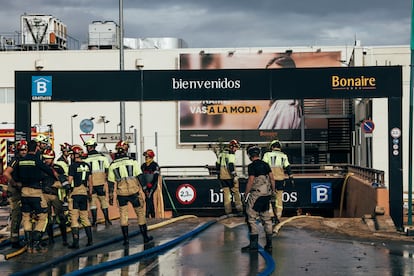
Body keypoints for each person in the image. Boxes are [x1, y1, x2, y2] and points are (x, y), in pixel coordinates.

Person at [13, 140, 58, 253]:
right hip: (36, 192)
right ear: (36, 149)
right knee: (43, 217)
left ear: (28, 149)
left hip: (24, 192)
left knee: (26, 217)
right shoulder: (37, 161)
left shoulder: (21, 161)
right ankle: (36, 243)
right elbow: (50, 171)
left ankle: (28, 245)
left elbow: (15, 176)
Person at [107, 140, 153, 246]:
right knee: (140, 214)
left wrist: (110, 197)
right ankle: (145, 238)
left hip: (121, 194)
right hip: (134, 192)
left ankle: (126, 240)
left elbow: (110, 183)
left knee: (123, 215)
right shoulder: (133, 162)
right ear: (126, 150)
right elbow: (140, 177)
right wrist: (145, 190)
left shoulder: (112, 165)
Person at [242, 145, 275, 253]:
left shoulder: (252, 166)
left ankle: (253, 245)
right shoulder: (265, 164)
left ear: (249, 155)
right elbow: (272, 178)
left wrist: (246, 194)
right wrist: (273, 192)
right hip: (266, 194)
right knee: (266, 218)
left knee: (251, 217)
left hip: (256, 194)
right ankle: (269, 245)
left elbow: (251, 181)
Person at [258, 53, 302, 129]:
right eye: (268, 75)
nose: (270, 80)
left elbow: (280, 137)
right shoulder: (281, 103)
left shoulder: (284, 105)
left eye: (276, 75)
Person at [262, 140, 294, 225]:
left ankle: (271, 216)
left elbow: (263, 166)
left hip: (269, 180)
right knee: (279, 199)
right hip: (280, 180)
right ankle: (278, 217)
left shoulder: (267, 155)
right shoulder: (284, 156)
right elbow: (288, 168)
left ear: (272, 147)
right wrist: (291, 177)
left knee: (268, 197)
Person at [67, 144, 93, 249]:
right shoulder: (87, 166)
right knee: (84, 217)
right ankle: (90, 240)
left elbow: (69, 181)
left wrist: (67, 192)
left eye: (72, 155)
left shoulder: (72, 166)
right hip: (84, 193)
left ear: (74, 155)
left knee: (74, 218)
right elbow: (90, 182)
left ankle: (76, 242)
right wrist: (90, 193)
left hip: (75, 194)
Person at [41, 148, 69, 246]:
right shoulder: (42, 168)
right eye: (45, 158)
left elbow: (65, 181)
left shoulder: (57, 168)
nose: (46, 160)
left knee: (61, 217)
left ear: (52, 158)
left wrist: (57, 184)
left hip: (55, 195)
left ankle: (65, 239)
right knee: (48, 218)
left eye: (48, 158)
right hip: (44, 194)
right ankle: (50, 239)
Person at [3, 140, 28, 249]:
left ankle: (28, 239)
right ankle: (14, 240)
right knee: (16, 215)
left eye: (25, 149)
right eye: (22, 150)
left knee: (26, 215)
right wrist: (14, 183)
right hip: (15, 191)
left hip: (24, 190)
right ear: (18, 150)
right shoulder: (16, 160)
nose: (23, 152)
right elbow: (6, 173)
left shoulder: (26, 160)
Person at [83, 139, 111, 226]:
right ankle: (107, 219)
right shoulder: (103, 158)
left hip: (90, 184)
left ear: (89, 147)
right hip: (101, 183)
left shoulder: (86, 160)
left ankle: (94, 221)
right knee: (103, 201)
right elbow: (107, 169)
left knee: (92, 202)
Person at [215, 139, 243, 215]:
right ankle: (239, 210)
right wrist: (234, 176)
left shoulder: (222, 154)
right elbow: (231, 165)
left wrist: (219, 175)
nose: (236, 149)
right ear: (233, 147)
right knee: (236, 193)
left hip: (222, 177)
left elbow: (217, 165)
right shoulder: (231, 154)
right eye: (236, 147)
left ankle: (228, 212)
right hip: (230, 177)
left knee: (226, 195)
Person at [140, 149, 160, 218]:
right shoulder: (143, 166)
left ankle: (147, 214)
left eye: (147, 157)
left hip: (152, 185)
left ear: (151, 157)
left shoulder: (155, 165)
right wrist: (144, 185)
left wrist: (151, 184)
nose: (146, 158)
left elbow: (156, 176)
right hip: (145, 185)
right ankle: (152, 214)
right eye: (145, 157)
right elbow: (141, 176)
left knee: (149, 197)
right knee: (148, 198)